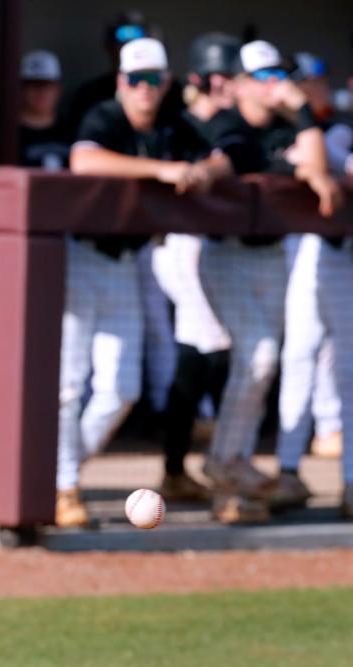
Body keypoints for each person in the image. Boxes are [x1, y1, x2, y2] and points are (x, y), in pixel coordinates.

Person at [61, 38, 234, 527]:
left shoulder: (174, 126)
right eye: (135, 80)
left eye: (153, 79)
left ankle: (60, 470)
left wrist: (204, 169)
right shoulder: (104, 116)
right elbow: (85, 160)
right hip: (80, 257)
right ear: (121, 82)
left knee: (122, 388)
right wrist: (163, 171)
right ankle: (62, 484)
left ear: (167, 83)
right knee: (69, 385)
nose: (144, 89)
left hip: (127, 263)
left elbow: (226, 154)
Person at [199, 40, 344, 522]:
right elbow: (234, 155)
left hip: (272, 258)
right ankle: (224, 462)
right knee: (258, 356)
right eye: (260, 77)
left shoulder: (288, 126)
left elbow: (318, 167)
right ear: (239, 83)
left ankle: (231, 467)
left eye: (276, 75)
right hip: (223, 256)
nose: (271, 84)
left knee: (260, 365)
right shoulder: (224, 121)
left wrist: (302, 110)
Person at [153, 32, 243, 504]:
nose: (234, 85)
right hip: (178, 247)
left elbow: (234, 155)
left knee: (200, 351)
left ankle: (177, 464)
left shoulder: (232, 124)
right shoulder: (174, 125)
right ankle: (192, 459)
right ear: (203, 80)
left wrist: (209, 170)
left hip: (218, 246)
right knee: (209, 345)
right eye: (227, 76)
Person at [274, 51, 353, 515]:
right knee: (299, 355)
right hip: (316, 251)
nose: (308, 90)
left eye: (313, 82)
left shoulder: (338, 128)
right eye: (299, 83)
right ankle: (286, 471)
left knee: (347, 370)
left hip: (343, 257)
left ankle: (350, 482)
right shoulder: (308, 131)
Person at [0, 49, 72, 167]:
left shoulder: (75, 134)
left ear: (59, 89)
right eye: (33, 84)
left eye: (47, 85)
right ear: (18, 89)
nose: (41, 91)